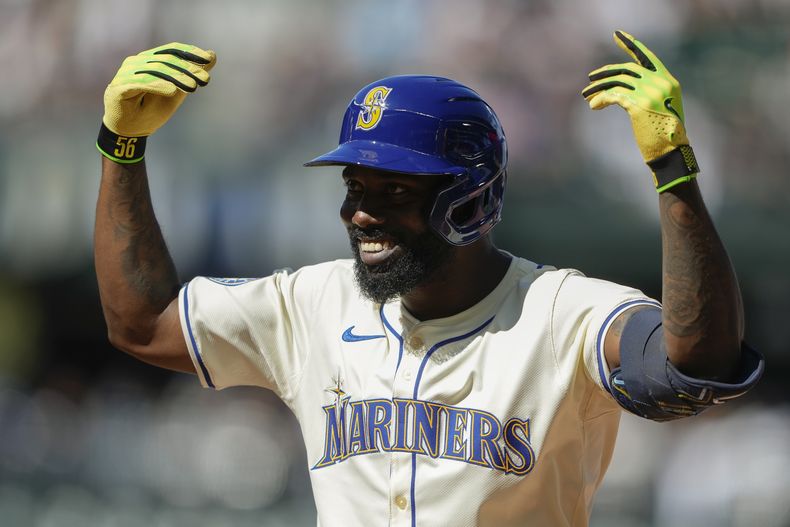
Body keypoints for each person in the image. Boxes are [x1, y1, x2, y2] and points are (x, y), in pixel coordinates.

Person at [94, 31, 763, 526]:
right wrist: (121, 150)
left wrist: (673, 172)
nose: (362, 209)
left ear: (470, 199)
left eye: (393, 190)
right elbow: (143, 323)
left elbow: (696, 361)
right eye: (357, 184)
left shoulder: (561, 312)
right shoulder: (312, 301)